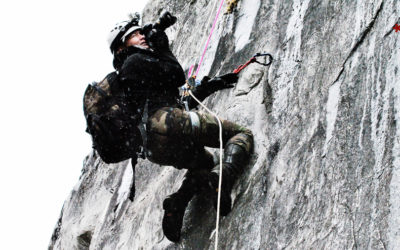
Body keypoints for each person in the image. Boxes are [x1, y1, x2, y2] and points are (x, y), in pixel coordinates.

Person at [98, 12, 254, 242]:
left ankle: (178, 202)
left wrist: (206, 88)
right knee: (241, 134)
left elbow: (172, 96)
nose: (141, 36)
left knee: (205, 163)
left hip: (154, 147)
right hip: (166, 122)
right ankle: (223, 178)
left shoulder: (125, 77)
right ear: (121, 47)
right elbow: (177, 75)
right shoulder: (135, 61)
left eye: (141, 32)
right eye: (134, 34)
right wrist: (162, 47)